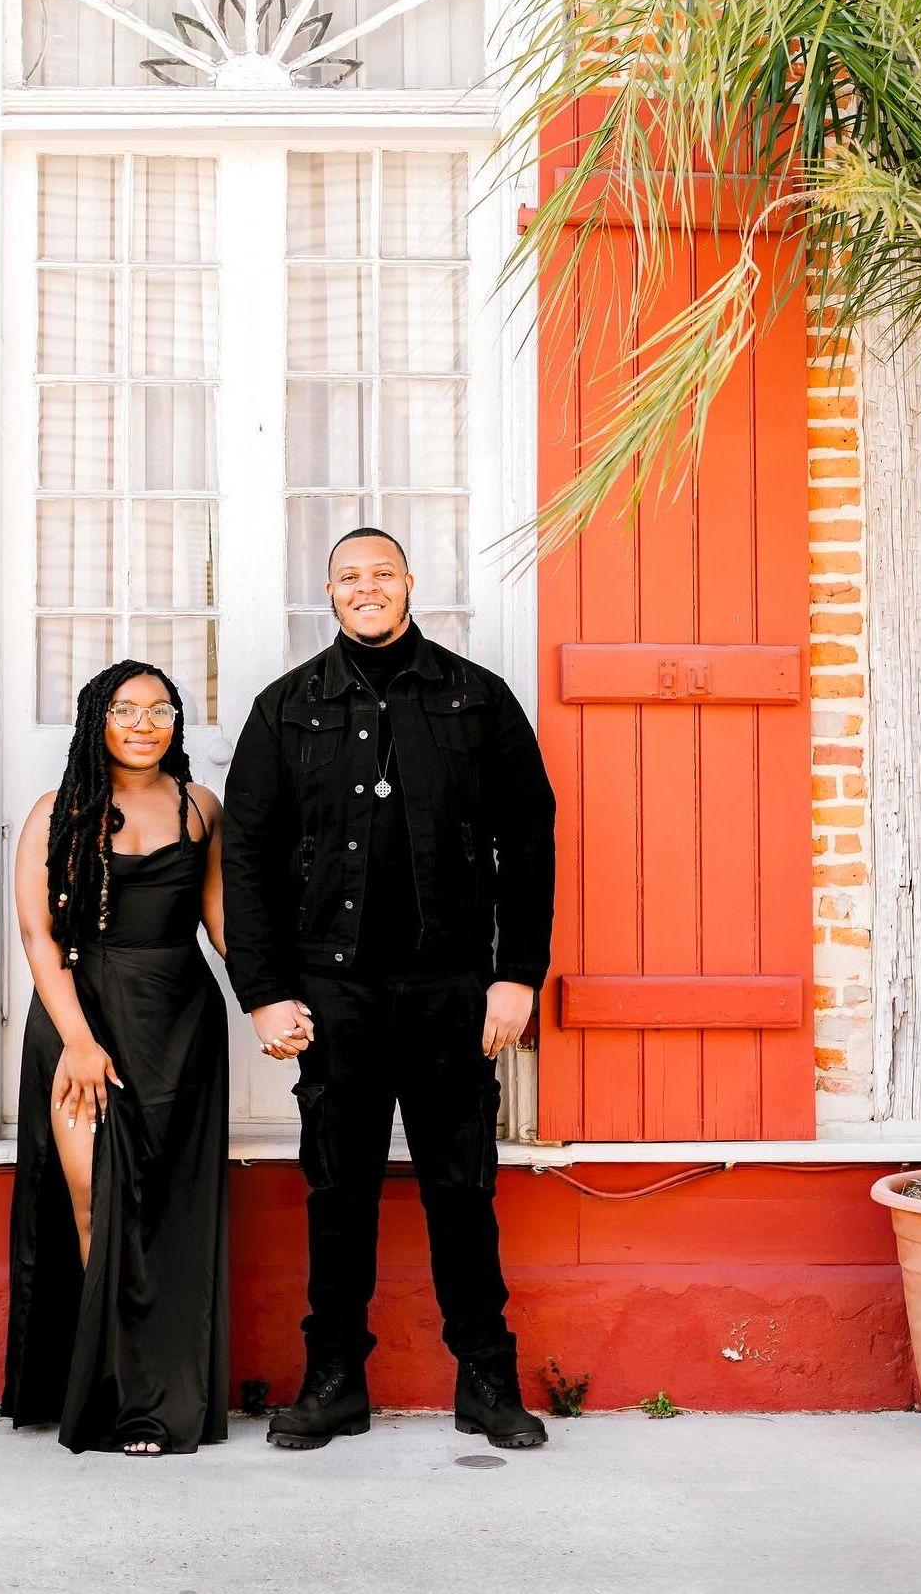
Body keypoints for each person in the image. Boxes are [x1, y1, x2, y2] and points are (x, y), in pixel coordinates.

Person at [222, 528, 557, 1450]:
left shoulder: (473, 698)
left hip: (453, 988)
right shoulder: (285, 708)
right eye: (347, 578)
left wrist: (514, 973)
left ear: (411, 582)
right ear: (326, 594)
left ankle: (488, 1380)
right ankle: (332, 1381)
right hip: (332, 995)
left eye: (380, 573)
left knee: (464, 1185)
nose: (365, 588)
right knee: (338, 1189)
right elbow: (243, 857)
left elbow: (528, 839)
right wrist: (262, 989)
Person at [1, 661, 231, 1456]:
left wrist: (281, 997)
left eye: (160, 709)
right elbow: (38, 936)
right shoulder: (55, 812)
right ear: (96, 719)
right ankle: (112, 1393)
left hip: (180, 1023)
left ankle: (160, 1396)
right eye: (125, 709)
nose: (143, 723)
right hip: (81, 1022)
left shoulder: (199, 806)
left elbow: (221, 926)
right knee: (96, 1201)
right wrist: (79, 1040)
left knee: (168, 1211)